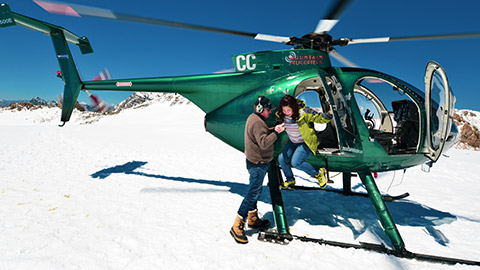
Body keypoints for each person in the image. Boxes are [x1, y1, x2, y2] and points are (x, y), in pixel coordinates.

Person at [230, 96, 285, 244]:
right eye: (268, 110)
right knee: (253, 192)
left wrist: (274, 129)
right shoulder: (257, 122)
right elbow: (264, 142)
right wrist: (277, 133)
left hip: (255, 161)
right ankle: (237, 225)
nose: (269, 113)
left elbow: (262, 132)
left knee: (256, 190)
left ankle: (253, 219)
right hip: (258, 164)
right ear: (260, 109)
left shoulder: (255, 119)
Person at [276, 95, 333, 189]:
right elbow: (278, 120)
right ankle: (290, 180)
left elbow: (318, 117)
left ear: (293, 108)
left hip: (305, 142)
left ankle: (318, 173)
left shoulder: (303, 113)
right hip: (293, 142)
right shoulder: (282, 115)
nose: (286, 113)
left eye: (288, 110)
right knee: (282, 159)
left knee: (296, 162)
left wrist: (329, 114)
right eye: (284, 110)